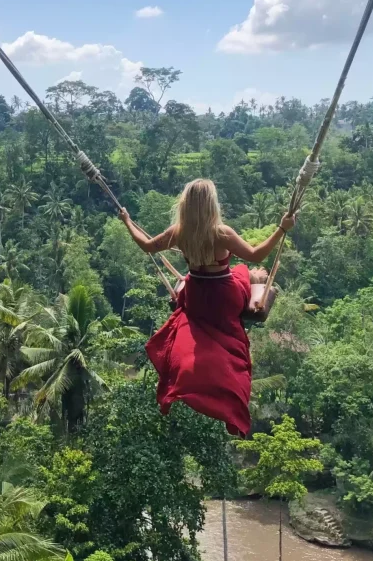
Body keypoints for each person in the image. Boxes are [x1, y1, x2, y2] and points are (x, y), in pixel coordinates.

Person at [118, 178, 296, 437]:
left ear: (185, 205)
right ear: (212, 205)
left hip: (197, 296)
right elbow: (256, 253)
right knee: (246, 270)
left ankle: (252, 278)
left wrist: (127, 221)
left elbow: (146, 246)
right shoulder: (221, 233)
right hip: (224, 295)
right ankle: (257, 277)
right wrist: (282, 228)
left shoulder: (178, 232)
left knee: (240, 274)